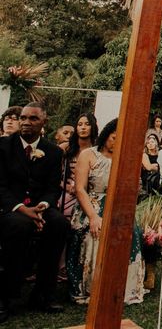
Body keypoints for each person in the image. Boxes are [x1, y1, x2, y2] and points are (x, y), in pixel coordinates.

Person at [0, 103, 70, 322]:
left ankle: (43, 294)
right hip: (10, 207)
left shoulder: (53, 151)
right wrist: (22, 209)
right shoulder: (3, 146)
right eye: (23, 118)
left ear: (44, 123)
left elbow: (52, 188)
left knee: (59, 224)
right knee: (18, 226)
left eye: (32, 118)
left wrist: (43, 207)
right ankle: (7, 296)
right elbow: (1, 186)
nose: (25, 122)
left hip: (40, 207)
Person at [67, 118, 145, 304]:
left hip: (117, 206)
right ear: (105, 136)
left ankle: (123, 288)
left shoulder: (126, 158)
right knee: (97, 232)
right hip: (90, 204)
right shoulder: (88, 155)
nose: (116, 143)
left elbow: (132, 191)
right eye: (113, 138)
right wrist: (93, 216)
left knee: (131, 231)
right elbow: (80, 189)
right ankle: (94, 287)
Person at [60, 113, 99, 220]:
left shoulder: (98, 150)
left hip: (90, 195)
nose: (83, 127)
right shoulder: (65, 148)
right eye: (80, 124)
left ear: (93, 126)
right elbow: (53, 175)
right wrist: (66, 187)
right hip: (66, 194)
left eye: (87, 124)